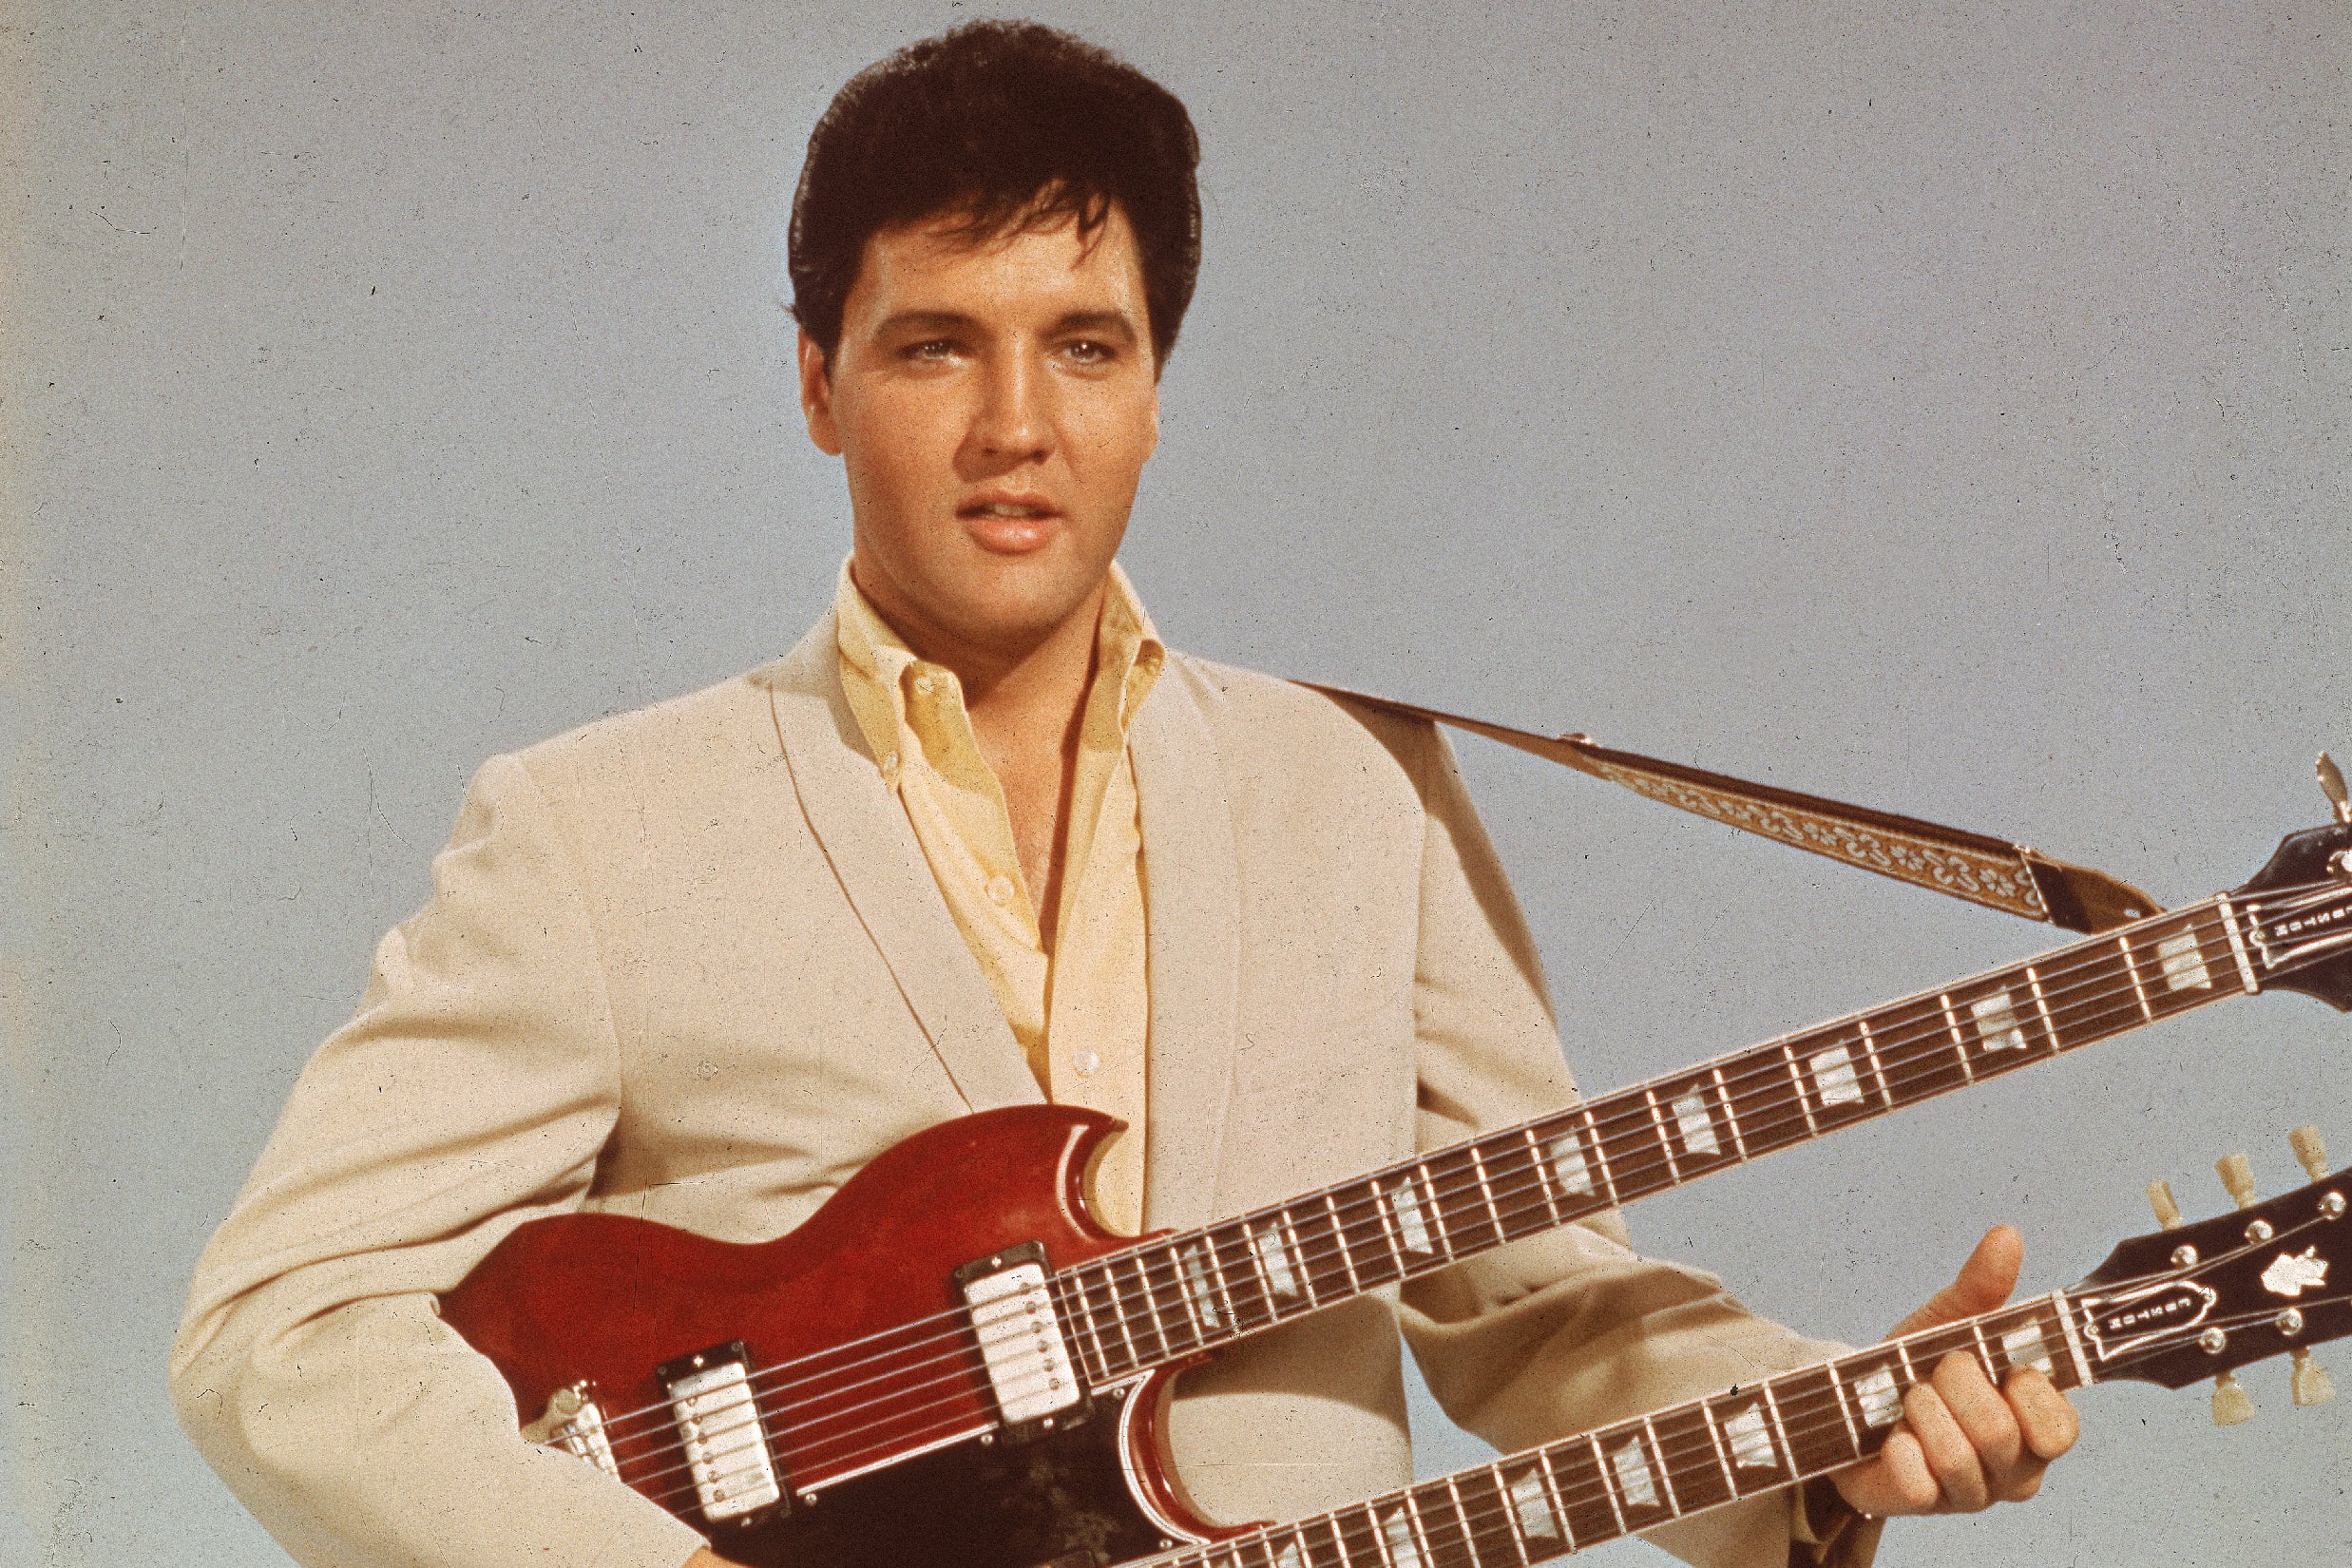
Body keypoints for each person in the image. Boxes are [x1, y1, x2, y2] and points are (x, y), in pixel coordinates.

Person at [171, 21, 2076, 1568]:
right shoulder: (589, 831)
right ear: (819, 380)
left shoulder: (1359, 792)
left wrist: (1827, 1438)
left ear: (1156, 386)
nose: (1016, 428)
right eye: (937, 346)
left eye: (1084, 347)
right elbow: (283, 1336)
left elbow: (1532, 1310)